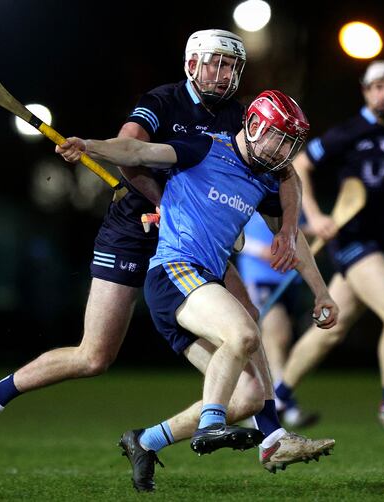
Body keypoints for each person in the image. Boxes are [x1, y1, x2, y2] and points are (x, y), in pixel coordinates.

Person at [0, 30, 304, 458]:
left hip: (190, 239)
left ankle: (271, 435)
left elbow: (286, 173)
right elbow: (132, 151)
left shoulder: (238, 116)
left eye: (232, 66)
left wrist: (289, 228)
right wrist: (111, 161)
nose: (224, 74)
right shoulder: (163, 100)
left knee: (247, 320)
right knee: (94, 357)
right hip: (132, 229)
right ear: (192, 64)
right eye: (216, 63)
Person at [56, 89, 338, 491]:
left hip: (203, 284)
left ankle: (145, 440)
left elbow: (294, 232)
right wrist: (90, 145)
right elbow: (137, 151)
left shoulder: (263, 178)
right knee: (244, 332)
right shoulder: (204, 148)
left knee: (248, 397)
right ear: (253, 125)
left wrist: (322, 292)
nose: (283, 152)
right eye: (278, 139)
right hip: (174, 272)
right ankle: (212, 425)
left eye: (290, 144)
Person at [272, 60, 384, 440]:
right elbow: (299, 164)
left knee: (330, 330)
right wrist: (314, 216)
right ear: (366, 91)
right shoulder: (348, 133)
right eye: (378, 87)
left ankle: (276, 400)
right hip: (353, 241)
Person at [236, 212, 320, 428]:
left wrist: (315, 231)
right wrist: (260, 250)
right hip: (258, 277)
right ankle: (283, 405)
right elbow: (230, 236)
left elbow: (296, 232)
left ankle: (271, 405)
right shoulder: (248, 195)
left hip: (288, 279)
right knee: (277, 336)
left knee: (279, 342)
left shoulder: (291, 199)